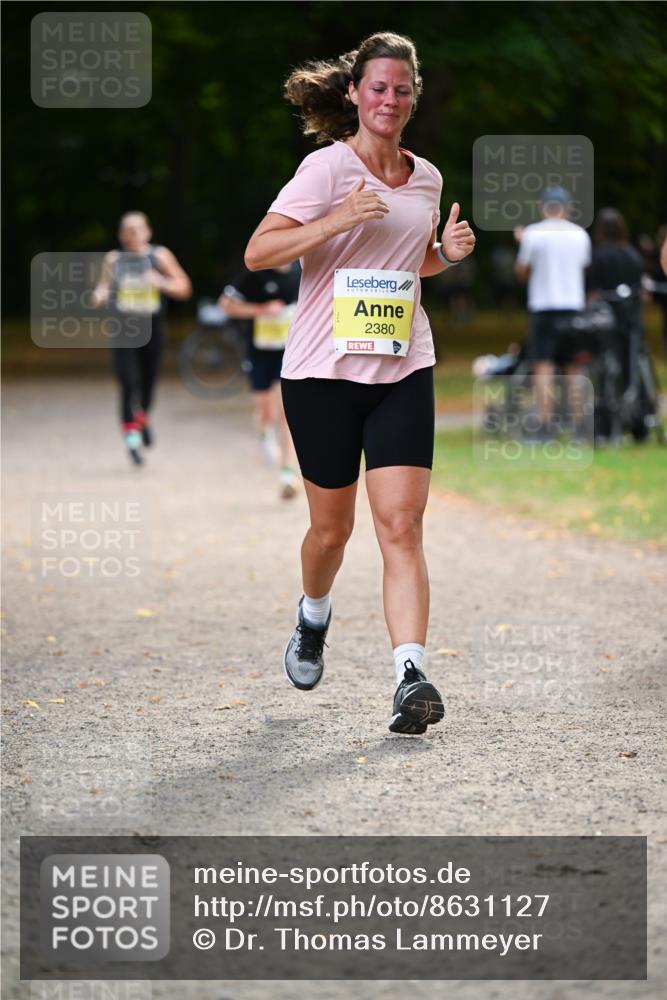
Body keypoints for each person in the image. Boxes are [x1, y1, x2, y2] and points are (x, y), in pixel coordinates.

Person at [243, 32, 475, 734]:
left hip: (402, 367)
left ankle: (409, 675)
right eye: (378, 87)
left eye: (402, 89)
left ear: (413, 97)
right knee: (330, 531)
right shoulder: (324, 170)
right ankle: (313, 615)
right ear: (353, 93)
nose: (390, 100)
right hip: (320, 374)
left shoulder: (426, 177)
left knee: (400, 525)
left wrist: (443, 254)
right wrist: (338, 216)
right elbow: (259, 253)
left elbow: (407, 263)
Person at [93, 212, 192, 464]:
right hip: (124, 332)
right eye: (128, 229)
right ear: (121, 234)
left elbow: (184, 287)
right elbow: (104, 285)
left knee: (147, 387)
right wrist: (100, 295)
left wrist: (160, 282)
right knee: (128, 384)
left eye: (138, 228)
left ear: (148, 231)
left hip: (152, 331)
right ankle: (132, 441)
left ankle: (142, 418)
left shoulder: (159, 256)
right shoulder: (114, 259)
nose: (133, 233)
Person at [514, 187, 591, 439]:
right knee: (573, 368)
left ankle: (545, 425)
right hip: (573, 306)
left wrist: (521, 242)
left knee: (543, 367)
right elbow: (583, 267)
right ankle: (579, 425)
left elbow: (522, 272)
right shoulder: (580, 235)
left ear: (543, 207)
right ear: (567, 208)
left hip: (544, 306)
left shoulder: (533, 234)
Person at [219, 263, 301, 498]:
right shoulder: (255, 273)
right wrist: (261, 309)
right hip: (259, 353)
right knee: (266, 411)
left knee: (285, 412)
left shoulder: (303, 270)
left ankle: (287, 472)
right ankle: (264, 431)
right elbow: (225, 306)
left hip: (290, 353)